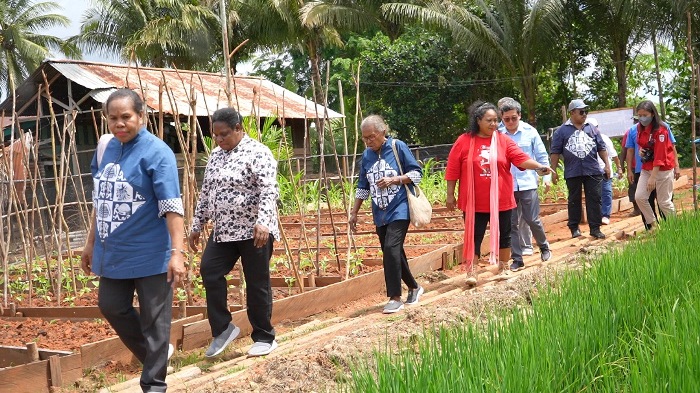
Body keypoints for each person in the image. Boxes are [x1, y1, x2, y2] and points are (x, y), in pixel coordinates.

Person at [81, 88, 185, 393]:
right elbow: (101, 203)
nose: (119, 124)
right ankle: (156, 354)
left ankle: (154, 385)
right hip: (113, 253)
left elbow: (171, 207)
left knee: (156, 322)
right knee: (111, 306)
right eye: (113, 118)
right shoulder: (105, 149)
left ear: (141, 116)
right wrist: (90, 244)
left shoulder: (158, 153)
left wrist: (176, 253)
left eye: (126, 117)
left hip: (151, 253)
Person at [188, 108, 279, 357]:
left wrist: (263, 222)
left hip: (254, 232)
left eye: (224, 134)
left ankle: (264, 337)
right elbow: (206, 193)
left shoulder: (258, 152)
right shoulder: (216, 156)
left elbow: (269, 190)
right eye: (215, 135)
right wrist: (197, 225)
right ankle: (223, 329)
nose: (219, 140)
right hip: (224, 231)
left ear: (239, 128)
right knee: (209, 270)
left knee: (257, 282)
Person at [445, 101, 552, 286]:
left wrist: (539, 167)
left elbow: (521, 158)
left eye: (496, 120)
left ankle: (503, 267)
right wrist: (449, 194)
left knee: (506, 234)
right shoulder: (464, 141)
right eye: (490, 120)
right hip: (474, 201)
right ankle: (472, 272)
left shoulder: (503, 140)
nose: (494, 124)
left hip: (501, 199)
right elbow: (453, 169)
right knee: (474, 236)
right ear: (478, 120)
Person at [349, 115, 424, 314]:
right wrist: (354, 212)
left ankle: (394, 297)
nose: (368, 142)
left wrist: (395, 179)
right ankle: (415, 287)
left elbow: (417, 173)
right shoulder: (366, 156)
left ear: (383, 132)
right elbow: (363, 186)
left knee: (391, 248)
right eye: (365, 138)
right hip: (379, 212)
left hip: (399, 208)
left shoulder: (398, 147)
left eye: (371, 137)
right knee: (393, 252)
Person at [497, 98, 552, 272]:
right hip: (507, 186)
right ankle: (517, 258)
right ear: (502, 118)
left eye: (514, 118)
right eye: (507, 119)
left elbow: (541, 155)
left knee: (531, 219)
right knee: (511, 223)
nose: (511, 122)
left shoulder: (530, 131)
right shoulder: (497, 134)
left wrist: (546, 177)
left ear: (519, 115)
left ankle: (544, 247)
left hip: (528, 182)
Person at [550, 99, 610, 239]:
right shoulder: (561, 131)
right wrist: (553, 171)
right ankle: (574, 228)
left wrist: (607, 164)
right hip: (573, 171)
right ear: (572, 113)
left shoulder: (592, 128)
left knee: (595, 199)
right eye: (581, 112)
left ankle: (595, 228)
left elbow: (601, 148)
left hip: (593, 169)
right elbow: (555, 152)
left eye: (586, 112)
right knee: (574, 200)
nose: (584, 115)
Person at [624, 112, 681, 229]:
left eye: (645, 115)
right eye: (639, 115)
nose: (642, 118)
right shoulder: (635, 130)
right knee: (640, 197)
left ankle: (676, 228)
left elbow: (662, 154)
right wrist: (639, 153)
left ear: (652, 114)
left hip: (663, 169)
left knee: (663, 202)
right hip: (645, 168)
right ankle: (654, 226)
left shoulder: (662, 128)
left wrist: (676, 166)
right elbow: (631, 149)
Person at [587, 118, 623, 225]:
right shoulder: (583, 140)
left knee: (606, 192)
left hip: (604, 170)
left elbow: (614, 155)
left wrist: (619, 168)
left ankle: (605, 215)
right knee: (594, 195)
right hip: (591, 171)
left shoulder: (604, 139)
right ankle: (596, 216)